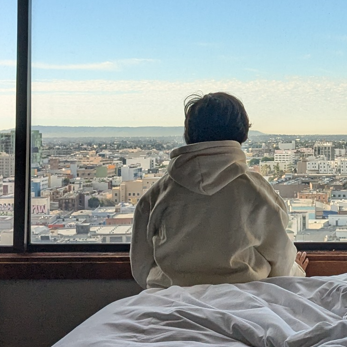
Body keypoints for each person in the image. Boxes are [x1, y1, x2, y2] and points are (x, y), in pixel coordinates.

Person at [130, 92, 309, 289]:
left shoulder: (158, 194)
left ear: (189, 134)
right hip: (246, 297)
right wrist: (297, 271)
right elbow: (280, 260)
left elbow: (141, 267)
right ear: (243, 133)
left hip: (170, 298)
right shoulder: (256, 191)